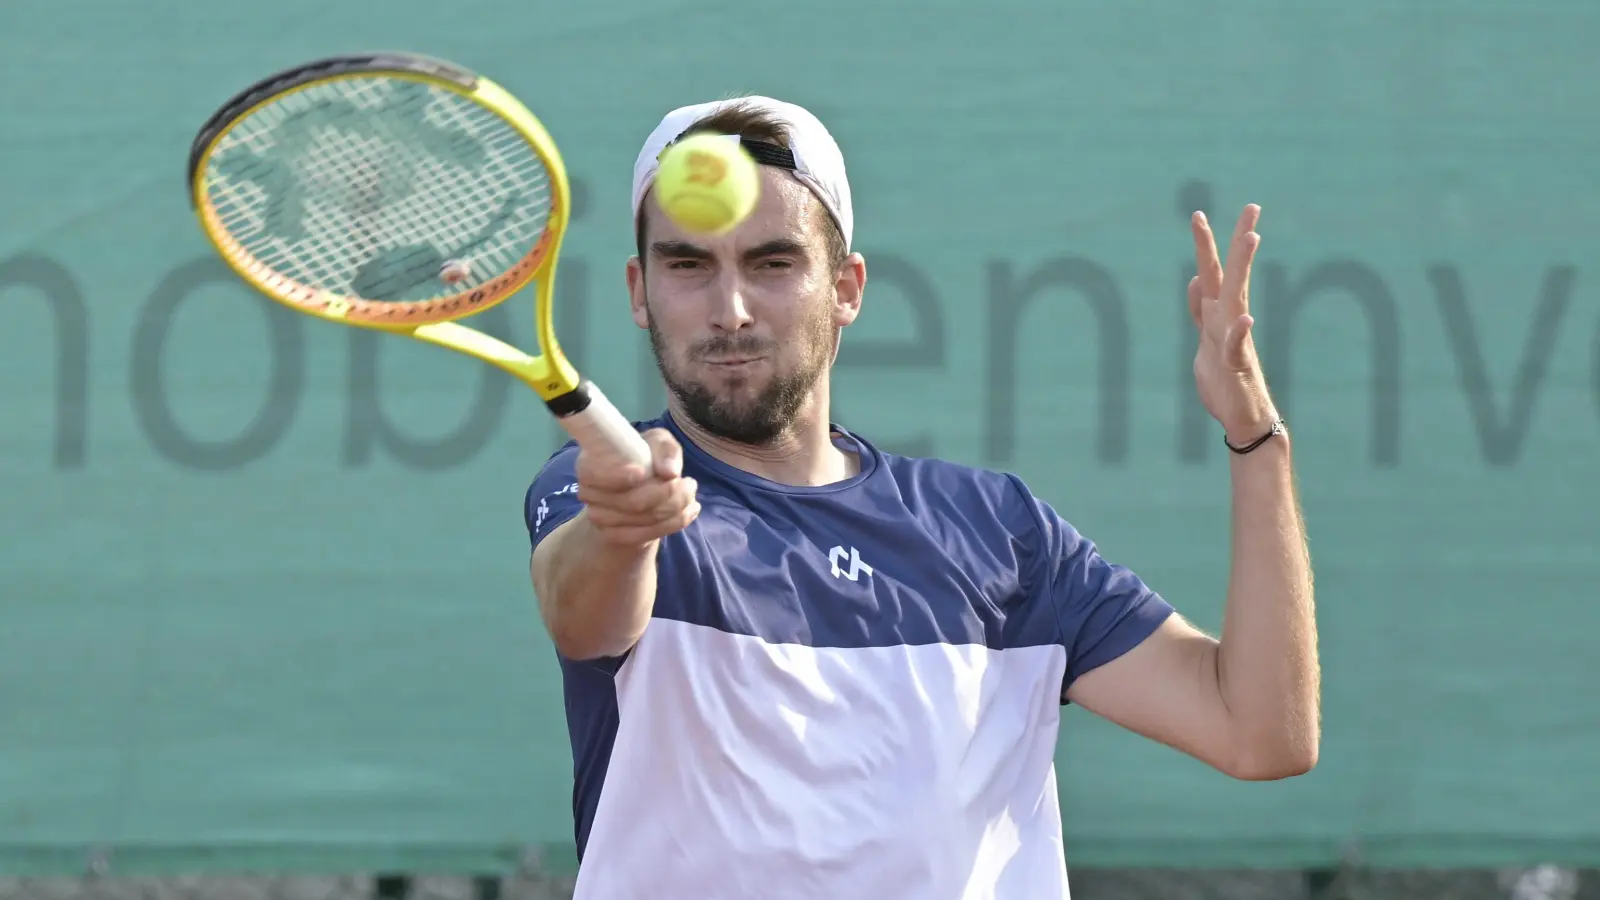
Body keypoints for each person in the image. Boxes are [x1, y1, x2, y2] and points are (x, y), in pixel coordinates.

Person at [522, 95, 1318, 899]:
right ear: (639, 289)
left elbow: (1261, 733)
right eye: (689, 266)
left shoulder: (1001, 534)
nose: (729, 310)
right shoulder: (604, 492)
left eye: (773, 264)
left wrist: (1258, 441)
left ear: (846, 288)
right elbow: (582, 613)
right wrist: (623, 530)